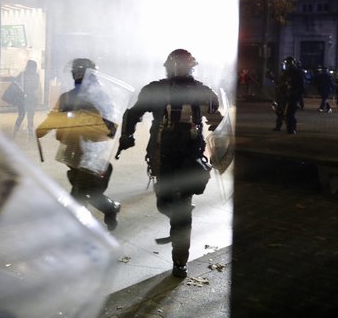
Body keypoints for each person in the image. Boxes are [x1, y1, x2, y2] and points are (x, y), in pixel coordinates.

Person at [116, 49, 222, 278]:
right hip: (163, 157)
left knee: (182, 210)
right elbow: (132, 115)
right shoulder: (160, 90)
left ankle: (179, 262)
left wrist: (128, 137)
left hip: (185, 159)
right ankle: (177, 220)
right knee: (165, 202)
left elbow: (218, 123)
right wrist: (127, 136)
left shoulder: (199, 92)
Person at [36, 58, 121, 231]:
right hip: (71, 150)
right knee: (85, 189)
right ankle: (110, 208)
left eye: (81, 72)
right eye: (76, 72)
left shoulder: (101, 98)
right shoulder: (67, 97)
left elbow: (109, 127)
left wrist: (91, 123)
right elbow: (54, 118)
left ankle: (77, 230)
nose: (78, 75)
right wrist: (42, 130)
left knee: (78, 193)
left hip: (92, 152)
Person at [273, 56, 305, 134]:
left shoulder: (295, 72)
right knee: (281, 111)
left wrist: (296, 95)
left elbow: (299, 86)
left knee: (289, 113)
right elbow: (281, 82)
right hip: (286, 95)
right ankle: (282, 127)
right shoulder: (288, 72)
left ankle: (291, 129)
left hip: (292, 95)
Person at [12, 60, 40, 138]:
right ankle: (16, 131)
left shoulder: (24, 75)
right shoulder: (24, 75)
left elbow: (16, 83)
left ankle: (27, 132)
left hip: (28, 98)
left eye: (34, 67)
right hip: (25, 98)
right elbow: (35, 86)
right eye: (33, 67)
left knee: (28, 116)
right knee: (23, 115)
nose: (33, 69)